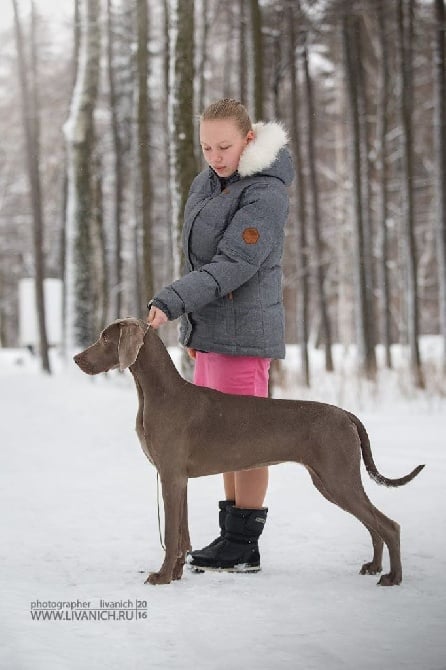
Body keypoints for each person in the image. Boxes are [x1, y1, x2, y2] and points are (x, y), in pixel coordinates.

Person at [147, 98, 294, 573]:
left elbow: (234, 264)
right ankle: (231, 537)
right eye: (207, 146)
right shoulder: (208, 183)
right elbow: (198, 260)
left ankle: (244, 543)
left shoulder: (265, 192)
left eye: (225, 146)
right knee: (222, 438)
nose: (214, 155)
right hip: (212, 332)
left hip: (246, 334)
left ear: (249, 139)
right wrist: (196, 326)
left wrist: (173, 302)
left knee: (248, 439)